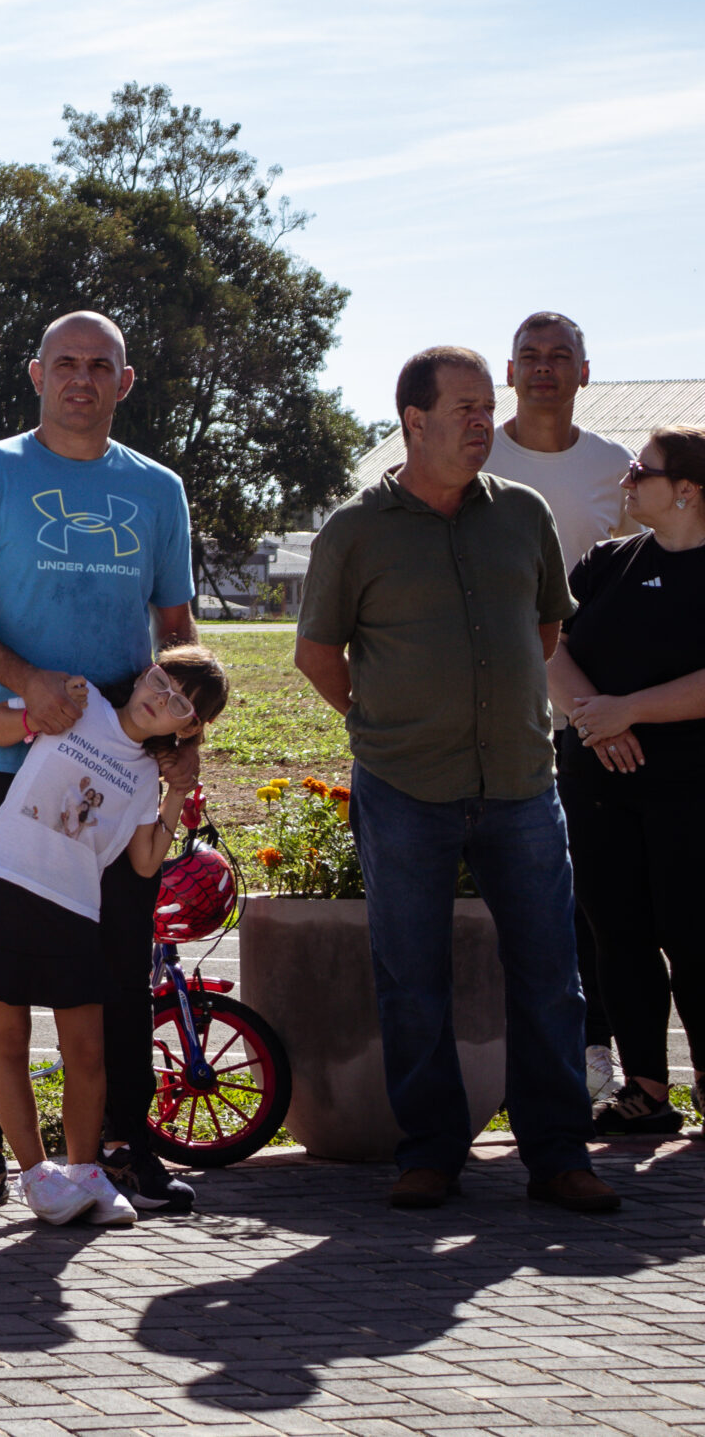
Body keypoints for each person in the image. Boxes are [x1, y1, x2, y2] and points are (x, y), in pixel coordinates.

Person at [295, 345, 618, 1213]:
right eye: (466, 408)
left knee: (551, 977)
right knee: (413, 979)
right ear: (416, 420)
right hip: (404, 787)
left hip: (521, 782)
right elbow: (317, 654)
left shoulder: (524, 513)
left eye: (485, 406)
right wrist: (382, 723)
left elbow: (545, 631)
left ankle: (558, 1155)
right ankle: (431, 1153)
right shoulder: (354, 529)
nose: (484, 421)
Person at [0, 311, 199, 1220]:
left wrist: (183, 749)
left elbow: (178, 633)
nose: (83, 378)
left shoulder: (157, 489)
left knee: (117, 963)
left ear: (125, 381)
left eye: (101, 365)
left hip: (119, 777)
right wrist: (27, 682)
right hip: (10, 764)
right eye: (66, 363)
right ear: (37, 374)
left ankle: (124, 1145)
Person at [0, 649, 229, 1226]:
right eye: (161, 681)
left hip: (76, 905)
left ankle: (83, 1172)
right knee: (7, 1041)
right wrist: (37, 714)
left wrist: (176, 792)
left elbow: (145, 861)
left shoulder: (148, 774)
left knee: (87, 1052)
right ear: (145, 672)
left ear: (188, 728)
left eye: (180, 705)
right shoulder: (84, 701)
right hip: (2, 881)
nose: (161, 699)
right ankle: (35, 1176)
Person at [486, 311, 641, 1101]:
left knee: (594, 892)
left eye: (560, 356)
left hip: (591, 716)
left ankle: (596, 1054)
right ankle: (508, 1066)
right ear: (509, 372)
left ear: (584, 371)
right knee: (516, 895)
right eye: (530, 356)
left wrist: (600, 705)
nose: (544, 367)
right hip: (490, 709)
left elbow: (649, 573)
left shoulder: (617, 468)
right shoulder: (478, 455)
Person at [548, 426, 705, 1134]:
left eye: (643, 470)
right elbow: (547, 643)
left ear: (688, 489)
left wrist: (630, 710)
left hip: (690, 787)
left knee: (694, 933)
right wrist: (596, 721)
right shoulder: (606, 562)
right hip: (598, 782)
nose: (626, 479)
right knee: (618, 933)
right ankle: (645, 1089)